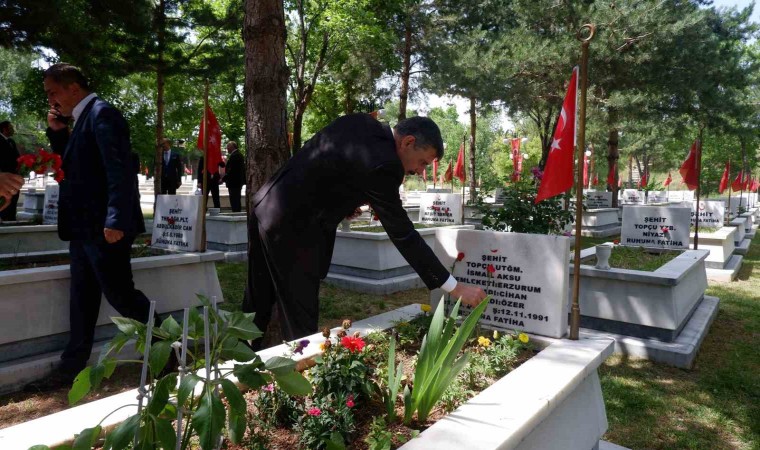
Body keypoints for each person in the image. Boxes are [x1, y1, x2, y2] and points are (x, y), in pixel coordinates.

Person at [243, 114, 486, 347]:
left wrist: (343, 203)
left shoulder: (360, 123)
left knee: (256, 305)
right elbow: (403, 234)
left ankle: (240, 362)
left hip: (266, 205)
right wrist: (455, 287)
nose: (420, 171)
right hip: (294, 229)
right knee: (300, 322)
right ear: (408, 142)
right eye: (423, 162)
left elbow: (326, 163)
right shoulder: (386, 164)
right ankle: (302, 375)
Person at [27, 63, 155, 391]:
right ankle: (71, 368)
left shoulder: (102, 114)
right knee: (81, 299)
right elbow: (75, 168)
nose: (51, 100)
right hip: (82, 228)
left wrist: (116, 220)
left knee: (122, 296)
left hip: (104, 230)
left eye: (53, 93)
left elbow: (119, 171)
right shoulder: (82, 119)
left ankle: (169, 347)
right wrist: (58, 133)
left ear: (73, 88)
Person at [0, 121, 21, 220]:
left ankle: (11, 218)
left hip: (13, 176)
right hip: (3, 178)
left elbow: (17, 157)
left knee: (13, 199)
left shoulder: (11, 141)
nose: (13, 129)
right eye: (10, 127)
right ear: (4, 129)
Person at [222, 141, 245, 212]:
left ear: (232, 147)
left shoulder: (235, 156)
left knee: (234, 199)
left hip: (234, 182)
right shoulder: (237, 155)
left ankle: (236, 212)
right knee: (236, 199)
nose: (227, 149)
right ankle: (236, 211)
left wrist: (223, 179)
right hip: (236, 182)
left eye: (228, 147)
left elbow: (231, 170)